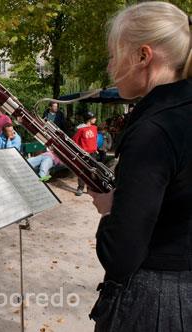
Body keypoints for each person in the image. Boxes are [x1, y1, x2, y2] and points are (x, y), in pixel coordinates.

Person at [88, 3, 192, 331]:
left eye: (113, 55)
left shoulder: (152, 131)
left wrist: (110, 209)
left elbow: (122, 253)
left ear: (143, 55)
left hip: (157, 304)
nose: (109, 67)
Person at [72, 111, 98, 196]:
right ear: (89, 119)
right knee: (82, 171)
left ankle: (90, 188)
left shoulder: (94, 128)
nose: (95, 119)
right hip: (84, 153)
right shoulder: (81, 129)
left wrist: (95, 148)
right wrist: (79, 150)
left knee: (92, 171)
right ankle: (80, 187)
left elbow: (94, 140)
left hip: (93, 153)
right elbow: (74, 141)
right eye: (94, 117)